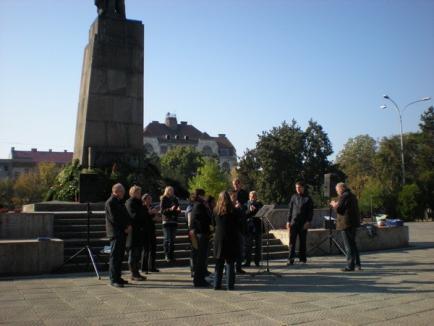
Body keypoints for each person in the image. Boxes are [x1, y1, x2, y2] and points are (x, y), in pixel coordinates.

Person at [330, 182, 362, 272]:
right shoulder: (352, 195)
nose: (337, 192)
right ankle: (357, 264)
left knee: (348, 246)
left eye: (337, 190)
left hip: (346, 224)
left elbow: (340, 209)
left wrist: (334, 205)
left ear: (341, 188)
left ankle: (350, 265)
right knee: (353, 245)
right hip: (352, 223)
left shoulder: (344, 196)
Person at [105, 183, 132, 287]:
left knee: (120, 256)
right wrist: (125, 227)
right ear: (116, 191)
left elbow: (125, 215)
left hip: (122, 232)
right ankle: (113, 279)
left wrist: (128, 225)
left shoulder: (119, 202)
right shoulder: (110, 202)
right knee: (115, 257)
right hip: (115, 233)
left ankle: (118, 277)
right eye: (122, 191)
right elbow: (114, 218)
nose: (124, 193)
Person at [213, 191, 240, 290]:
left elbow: (213, 223)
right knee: (230, 263)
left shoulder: (215, 210)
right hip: (231, 238)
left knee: (219, 263)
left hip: (219, 238)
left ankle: (216, 284)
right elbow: (238, 223)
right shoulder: (233, 210)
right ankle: (230, 285)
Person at [286, 181, 313, 265]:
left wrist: (308, 221)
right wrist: (288, 221)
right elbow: (290, 210)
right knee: (292, 242)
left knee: (302, 242)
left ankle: (302, 259)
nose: (297, 189)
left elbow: (310, 212)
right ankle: (291, 259)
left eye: (299, 187)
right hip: (294, 222)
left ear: (303, 188)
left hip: (303, 223)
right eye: (296, 187)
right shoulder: (293, 197)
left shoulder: (308, 198)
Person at [190, 189, 212, 287]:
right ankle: (198, 280)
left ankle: (200, 278)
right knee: (200, 259)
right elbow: (204, 220)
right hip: (201, 234)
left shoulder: (197, 205)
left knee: (201, 259)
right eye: (203, 195)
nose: (205, 197)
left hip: (199, 234)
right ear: (199, 196)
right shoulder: (199, 206)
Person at [125, 186, 147, 281]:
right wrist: (144, 212)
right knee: (133, 254)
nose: (140, 194)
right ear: (133, 193)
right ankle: (133, 273)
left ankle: (137, 272)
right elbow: (134, 216)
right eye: (138, 193)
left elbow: (143, 213)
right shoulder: (130, 202)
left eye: (140, 193)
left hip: (139, 232)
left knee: (138, 254)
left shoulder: (139, 203)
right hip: (133, 233)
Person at [160, 186, 181, 262]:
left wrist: (178, 210)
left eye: (172, 190)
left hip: (174, 221)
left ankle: (171, 255)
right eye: (170, 190)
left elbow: (177, 209)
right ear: (166, 191)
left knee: (172, 240)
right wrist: (170, 209)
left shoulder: (175, 199)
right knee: (167, 239)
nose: (171, 192)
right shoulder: (164, 198)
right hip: (167, 221)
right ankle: (167, 255)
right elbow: (162, 211)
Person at [244, 191, 263, 267]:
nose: (253, 197)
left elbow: (262, 213)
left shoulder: (259, 204)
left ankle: (257, 261)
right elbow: (244, 215)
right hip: (250, 227)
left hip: (258, 227)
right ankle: (247, 262)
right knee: (248, 245)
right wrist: (250, 210)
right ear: (249, 197)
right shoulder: (246, 204)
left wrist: (257, 210)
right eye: (251, 196)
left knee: (258, 245)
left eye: (254, 196)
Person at [141, 193, 160, 274]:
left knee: (153, 248)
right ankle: (144, 268)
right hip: (144, 230)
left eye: (151, 199)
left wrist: (156, 215)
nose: (150, 200)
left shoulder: (152, 207)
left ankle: (152, 267)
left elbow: (155, 219)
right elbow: (143, 217)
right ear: (144, 199)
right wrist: (150, 212)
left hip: (152, 229)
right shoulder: (142, 207)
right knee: (145, 249)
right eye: (149, 199)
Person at [230, 191, 247, 274]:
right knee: (234, 251)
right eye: (234, 197)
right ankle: (231, 269)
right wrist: (237, 209)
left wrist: (240, 208)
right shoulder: (229, 207)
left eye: (236, 197)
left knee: (240, 250)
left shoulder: (239, 207)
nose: (235, 199)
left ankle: (239, 268)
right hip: (233, 232)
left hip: (240, 230)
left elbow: (243, 216)